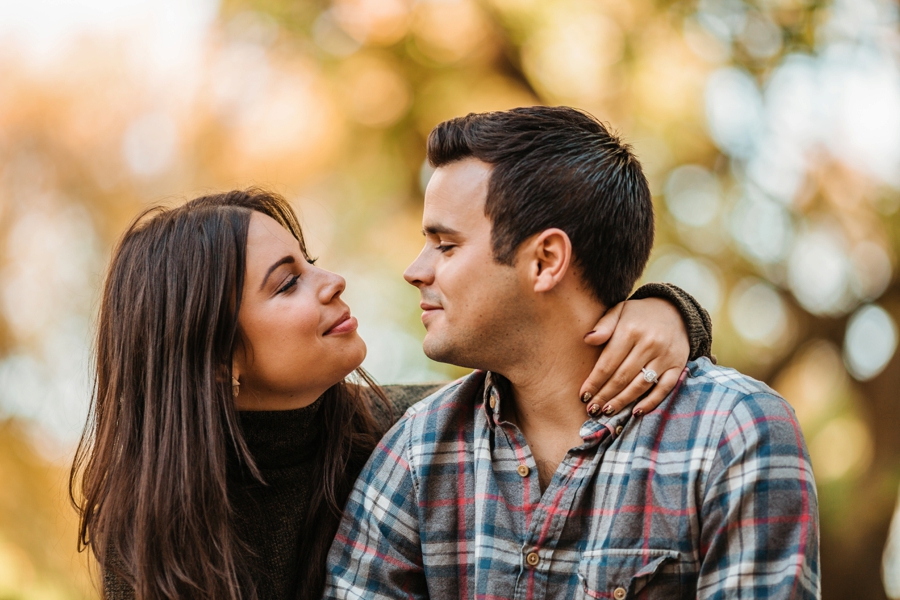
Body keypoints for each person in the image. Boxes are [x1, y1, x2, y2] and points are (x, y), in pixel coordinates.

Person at [69, 189, 713, 600]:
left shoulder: (407, 434)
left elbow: (551, 374)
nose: (333, 280)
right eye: (287, 283)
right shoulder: (150, 533)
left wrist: (668, 311)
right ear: (215, 361)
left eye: (310, 260)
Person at [325, 106, 819, 599]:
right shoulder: (416, 450)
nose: (415, 270)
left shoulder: (733, 434)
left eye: (445, 245)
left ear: (545, 261)